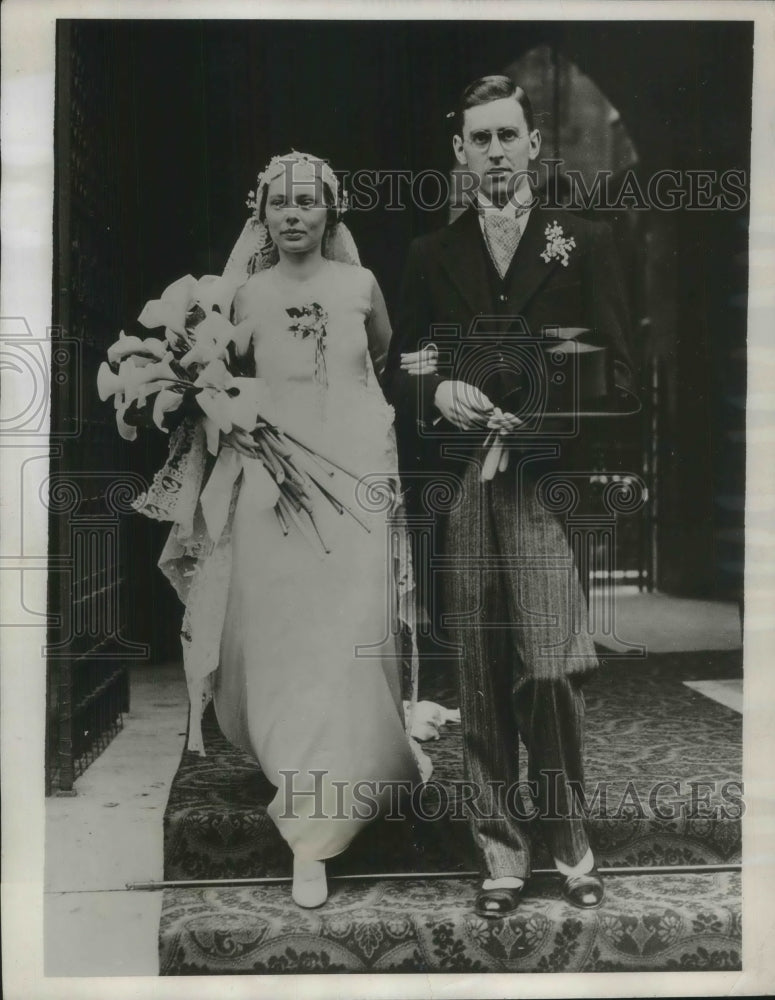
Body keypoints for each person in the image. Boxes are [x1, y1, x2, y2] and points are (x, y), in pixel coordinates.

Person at [386, 76, 634, 918]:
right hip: (464, 487)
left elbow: (620, 373)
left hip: (539, 483)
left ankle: (568, 838)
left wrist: (534, 421)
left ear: (533, 145)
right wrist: (439, 393)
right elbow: (402, 371)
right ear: (459, 154)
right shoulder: (431, 255)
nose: (494, 151)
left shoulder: (586, 241)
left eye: (507, 136)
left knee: (550, 670)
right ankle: (499, 852)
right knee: (483, 674)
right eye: (478, 139)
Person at [146, 151, 421, 909]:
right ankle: (310, 828)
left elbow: (380, 360)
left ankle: (364, 769)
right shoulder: (243, 297)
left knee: (351, 630)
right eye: (279, 204)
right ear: (260, 214)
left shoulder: (359, 285)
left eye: (308, 202)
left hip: (352, 481)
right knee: (289, 637)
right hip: (272, 489)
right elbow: (221, 382)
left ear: (331, 211)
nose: (293, 215)